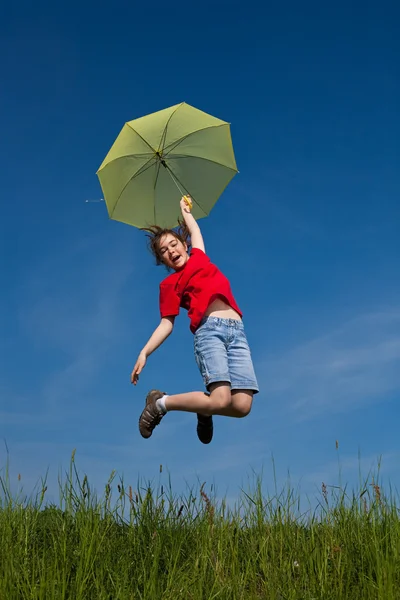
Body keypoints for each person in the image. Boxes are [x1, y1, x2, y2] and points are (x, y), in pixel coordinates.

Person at [131, 196, 259, 444]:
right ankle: (160, 404)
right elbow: (166, 324)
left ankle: (204, 408)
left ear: (184, 245)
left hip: (237, 333)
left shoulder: (200, 257)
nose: (170, 251)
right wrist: (144, 352)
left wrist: (185, 210)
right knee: (221, 399)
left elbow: (195, 229)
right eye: (164, 251)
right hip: (209, 332)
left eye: (173, 244)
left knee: (243, 406)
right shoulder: (169, 284)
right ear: (163, 261)